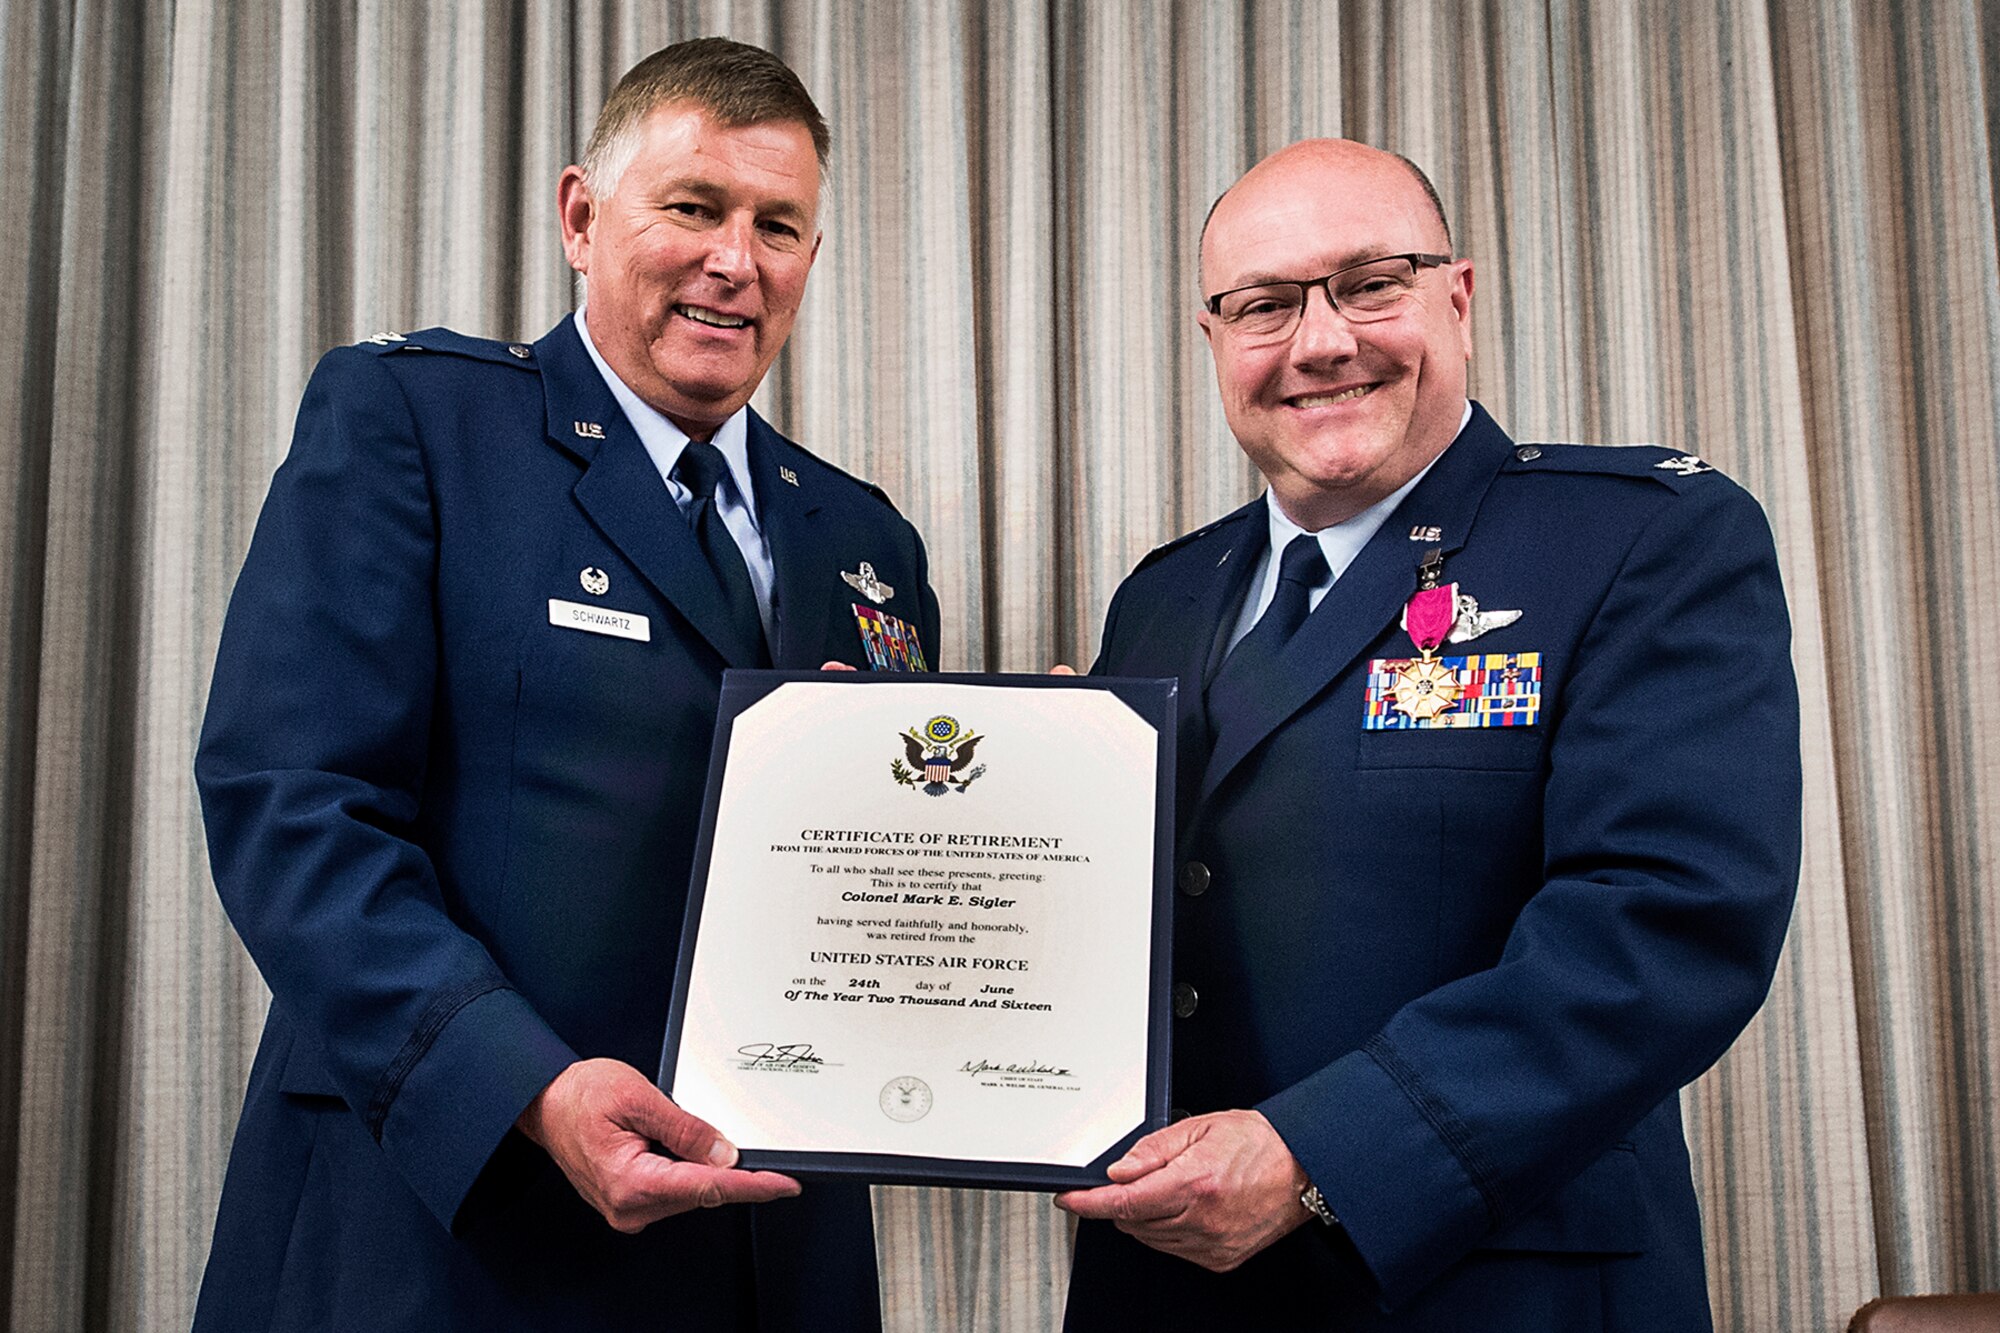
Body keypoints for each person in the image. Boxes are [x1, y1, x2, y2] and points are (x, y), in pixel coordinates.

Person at [193, 38, 937, 1331]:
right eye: (694, 207)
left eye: (779, 225)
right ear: (583, 217)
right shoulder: (419, 423)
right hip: (452, 1212)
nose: (735, 260)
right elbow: (293, 807)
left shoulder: (865, 543)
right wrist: (525, 1087)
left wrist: (1023, 799)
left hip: (767, 1246)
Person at [1056, 138, 1800, 1331]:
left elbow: (1667, 923)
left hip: (1489, 1284)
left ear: (1455, 295)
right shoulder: (1163, 597)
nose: (1319, 341)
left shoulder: (1635, 540)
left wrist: (1315, 1153)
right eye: (1263, 305)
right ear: (1212, 343)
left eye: (1368, 282)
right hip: (1171, 1286)